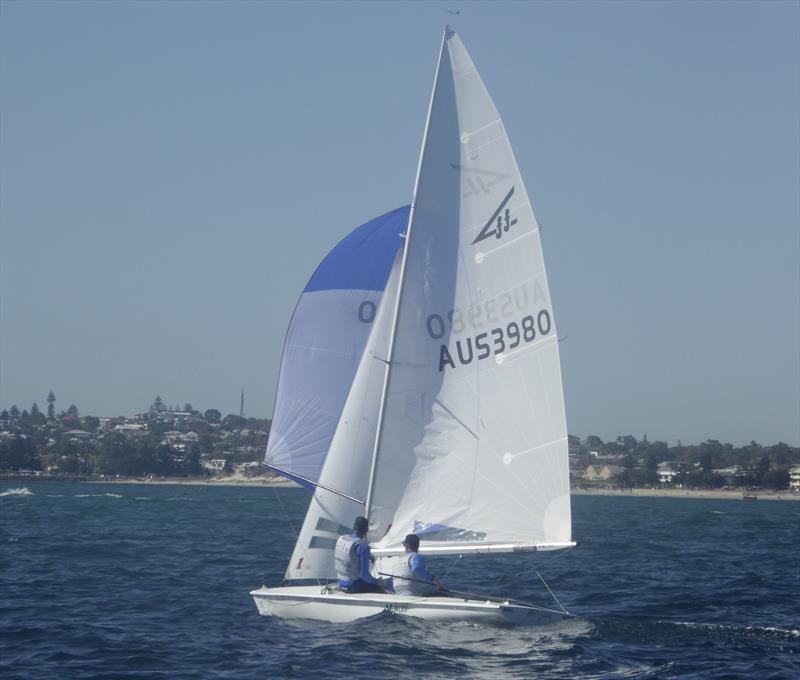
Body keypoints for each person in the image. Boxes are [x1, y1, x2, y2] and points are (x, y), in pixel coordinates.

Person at [334, 516, 383, 594]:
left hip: (341, 583)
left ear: (354, 528)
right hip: (353, 586)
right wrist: (377, 582)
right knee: (381, 587)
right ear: (366, 531)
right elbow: (364, 575)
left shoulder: (341, 538)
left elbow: (350, 555)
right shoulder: (363, 547)